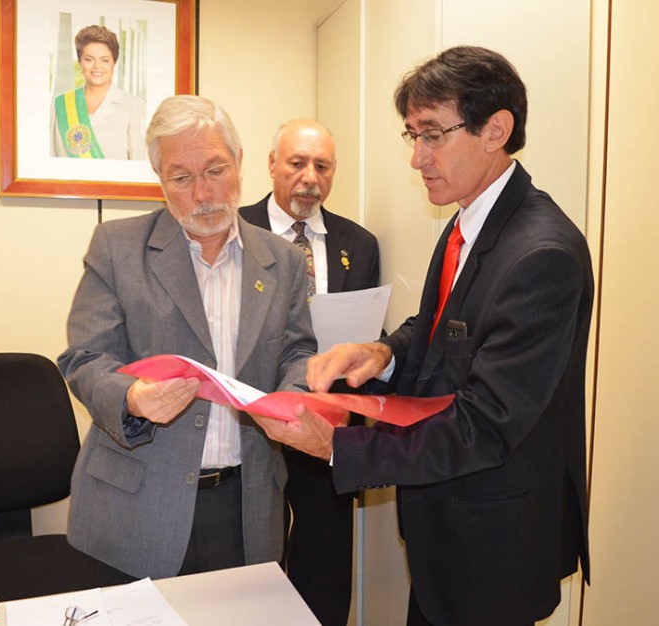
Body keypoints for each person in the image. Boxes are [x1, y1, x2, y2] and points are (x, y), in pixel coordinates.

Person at [251, 46, 594, 626]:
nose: (417, 158)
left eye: (433, 135)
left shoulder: (542, 254)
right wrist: (381, 352)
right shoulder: (468, 218)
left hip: (494, 541)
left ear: (497, 130)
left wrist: (336, 446)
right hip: (445, 527)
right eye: (412, 134)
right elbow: (437, 331)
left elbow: (484, 422)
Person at [57, 95, 317, 579]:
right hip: (137, 502)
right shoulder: (117, 247)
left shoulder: (281, 261)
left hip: (245, 502)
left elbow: (298, 348)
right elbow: (84, 357)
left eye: (216, 170)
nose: (203, 194)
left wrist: (292, 395)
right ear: (161, 181)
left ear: (239, 164)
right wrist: (131, 397)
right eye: (182, 177)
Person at [239, 118, 380, 626]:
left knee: (324, 562)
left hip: (329, 428)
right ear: (272, 163)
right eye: (297, 163)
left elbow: (363, 336)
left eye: (322, 166)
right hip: (254, 423)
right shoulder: (234, 231)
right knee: (254, 563)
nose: (309, 177)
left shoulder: (359, 244)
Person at [50, 25, 146, 160]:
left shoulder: (133, 106)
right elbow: (51, 157)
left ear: (114, 63)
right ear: (79, 62)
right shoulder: (60, 104)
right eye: (89, 59)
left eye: (105, 60)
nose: (97, 66)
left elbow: (139, 162)